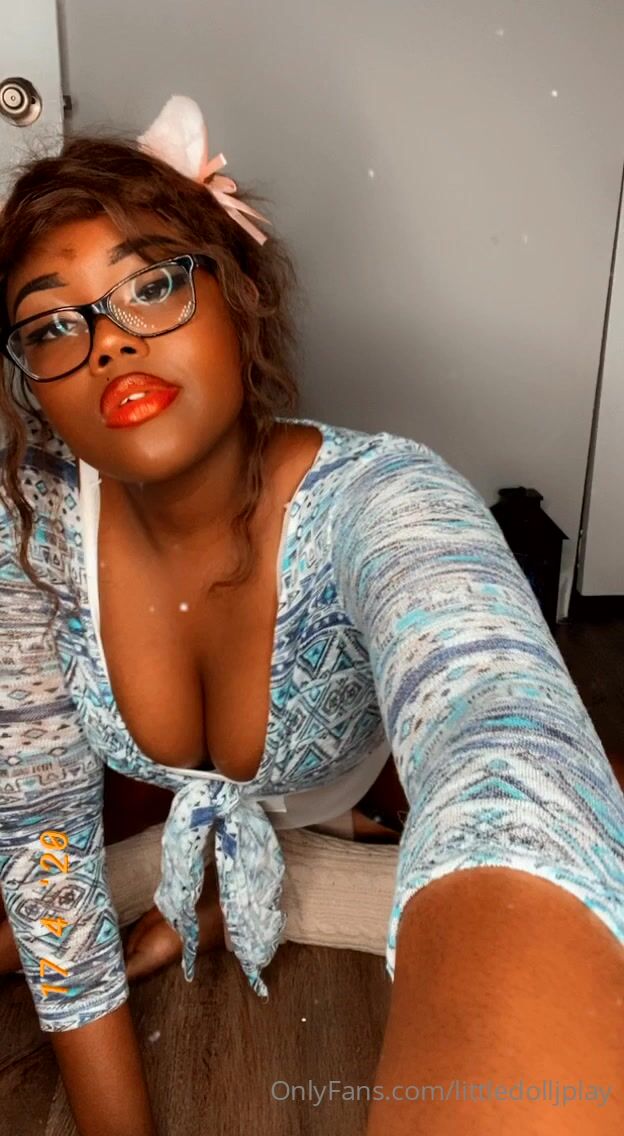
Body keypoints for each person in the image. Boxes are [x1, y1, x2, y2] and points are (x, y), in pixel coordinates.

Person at [0, 96, 622, 1136]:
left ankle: (260, 879)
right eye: (53, 325)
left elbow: (506, 749)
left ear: (238, 294)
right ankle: (214, 888)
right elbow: (46, 854)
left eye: (150, 285)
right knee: (29, 925)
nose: (105, 343)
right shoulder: (33, 530)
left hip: (364, 794)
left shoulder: (385, 497)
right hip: (184, 814)